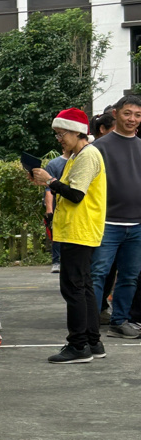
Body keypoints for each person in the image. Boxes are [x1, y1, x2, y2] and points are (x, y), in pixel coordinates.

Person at [29, 108, 107, 364]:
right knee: (83, 287)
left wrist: (50, 180)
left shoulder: (87, 155)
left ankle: (78, 345)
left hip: (79, 229)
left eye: (61, 134)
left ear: (77, 132)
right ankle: (92, 342)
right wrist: (47, 182)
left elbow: (76, 194)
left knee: (73, 288)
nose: (59, 139)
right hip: (79, 228)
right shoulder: (79, 155)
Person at [89, 95, 141, 339]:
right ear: (116, 114)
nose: (132, 119)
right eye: (127, 113)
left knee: (130, 276)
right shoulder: (99, 147)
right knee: (98, 274)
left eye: (137, 115)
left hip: (137, 224)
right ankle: (89, 324)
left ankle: (120, 322)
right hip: (107, 223)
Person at [43, 153, 67, 274]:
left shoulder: (80, 160)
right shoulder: (54, 164)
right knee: (57, 233)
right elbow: (48, 189)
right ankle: (56, 261)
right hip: (57, 205)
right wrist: (49, 210)